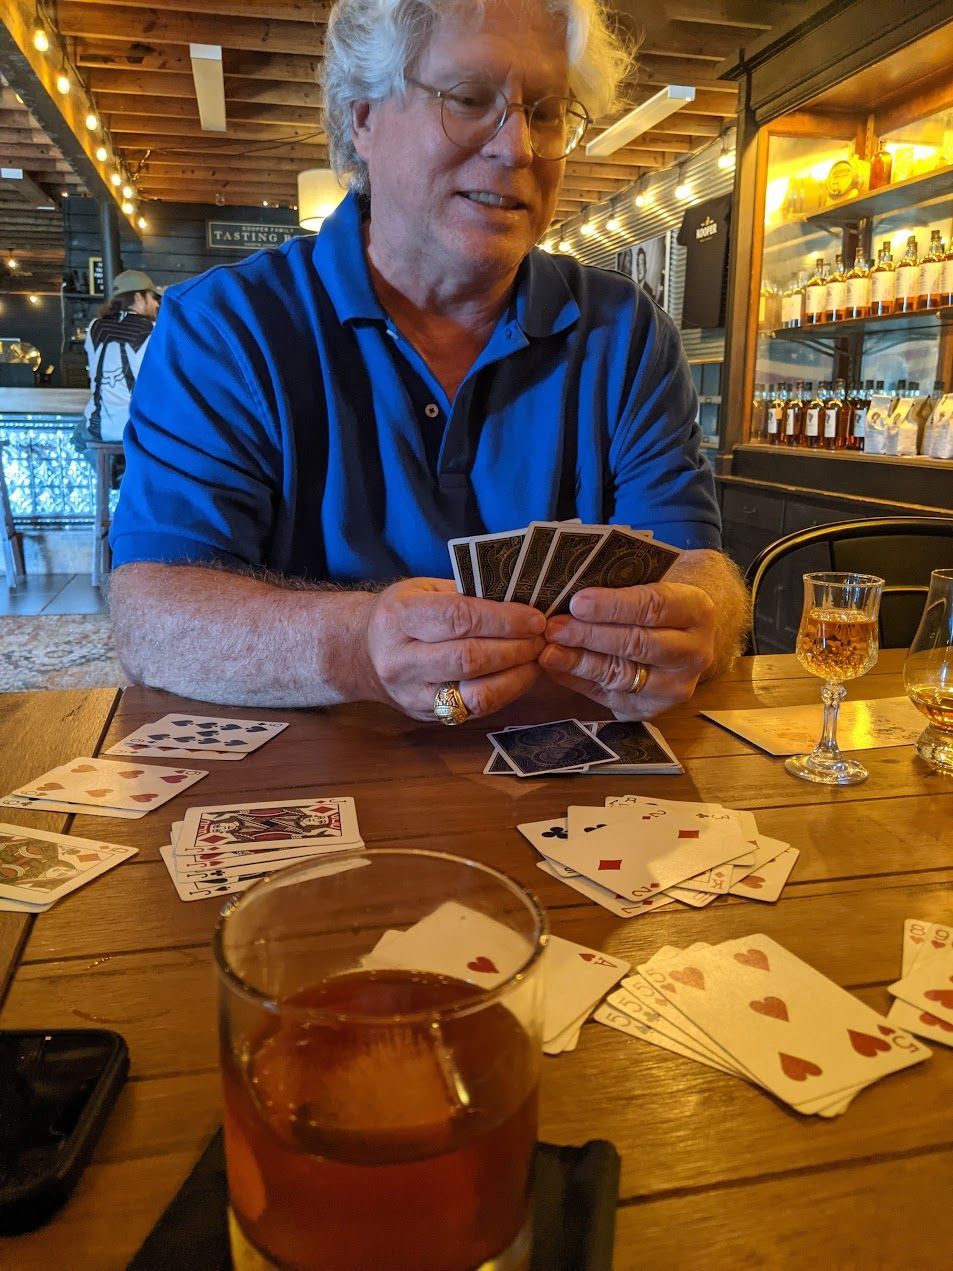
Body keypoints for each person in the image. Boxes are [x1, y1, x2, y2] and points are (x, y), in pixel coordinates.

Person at [109, 0, 748, 725]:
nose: (518, 148)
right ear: (362, 119)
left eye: (543, 111)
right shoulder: (227, 327)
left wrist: (699, 621)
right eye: (469, 99)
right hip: (310, 788)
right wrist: (357, 646)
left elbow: (698, 566)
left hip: (574, 793)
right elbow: (152, 614)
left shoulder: (627, 333)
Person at [75, 270, 161, 473]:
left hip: (97, 434)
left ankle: (115, 477)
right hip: (137, 432)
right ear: (139, 297)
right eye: (153, 298)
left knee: (78, 436)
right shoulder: (152, 330)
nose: (157, 304)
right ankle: (131, 481)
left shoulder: (95, 327)